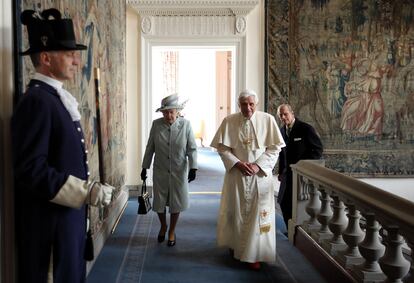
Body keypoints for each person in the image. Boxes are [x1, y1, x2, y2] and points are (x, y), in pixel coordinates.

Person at [11, 9, 114, 283]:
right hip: (49, 226)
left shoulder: (53, 99)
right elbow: (30, 169)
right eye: (69, 54)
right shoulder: (37, 102)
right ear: (46, 58)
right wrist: (85, 191)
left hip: (66, 221)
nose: (77, 61)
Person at [210, 89, 285, 270]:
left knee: (258, 216)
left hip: (259, 177)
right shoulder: (229, 121)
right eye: (244, 104)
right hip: (237, 175)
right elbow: (222, 148)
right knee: (234, 211)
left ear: (256, 105)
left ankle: (255, 255)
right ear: (239, 105)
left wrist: (257, 165)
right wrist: (237, 163)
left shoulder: (267, 120)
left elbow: (275, 148)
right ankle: (236, 245)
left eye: (251, 104)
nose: (248, 108)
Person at [141, 94, 198, 247]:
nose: (168, 115)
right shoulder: (156, 124)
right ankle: (163, 226)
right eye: (165, 112)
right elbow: (150, 147)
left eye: (171, 112)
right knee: (159, 202)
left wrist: (193, 167)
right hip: (160, 170)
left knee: (176, 202)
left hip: (179, 171)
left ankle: (171, 230)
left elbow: (192, 148)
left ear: (177, 111)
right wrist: (144, 167)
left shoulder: (186, 125)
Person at [277, 104, 323, 230]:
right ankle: (289, 229)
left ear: (292, 113)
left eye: (285, 114)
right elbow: (282, 153)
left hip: (300, 174)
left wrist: (303, 165)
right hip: (287, 174)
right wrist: (280, 172)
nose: (283, 117)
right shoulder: (281, 131)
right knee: (282, 202)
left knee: (297, 205)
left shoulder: (305, 129)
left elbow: (318, 150)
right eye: (280, 115)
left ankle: (297, 232)